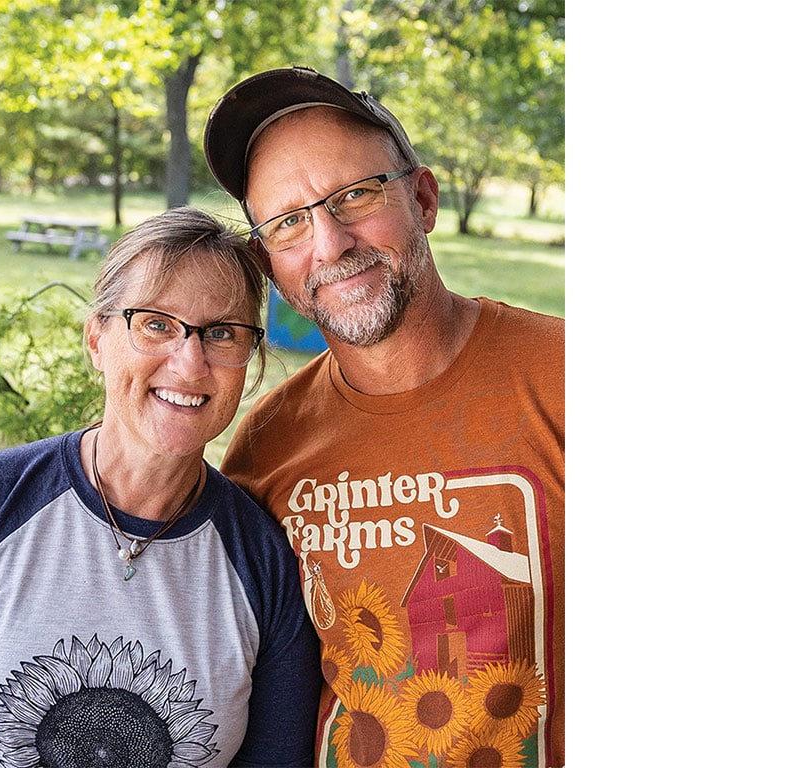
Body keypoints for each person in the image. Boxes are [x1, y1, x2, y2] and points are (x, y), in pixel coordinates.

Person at [204, 66, 565, 766]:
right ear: (266, 259)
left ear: (423, 199)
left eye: (356, 195)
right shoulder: (266, 447)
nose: (330, 243)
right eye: (288, 223)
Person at [0, 206, 321, 768]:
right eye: (156, 324)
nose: (190, 364)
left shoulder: (265, 563)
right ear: (97, 339)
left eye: (221, 333)